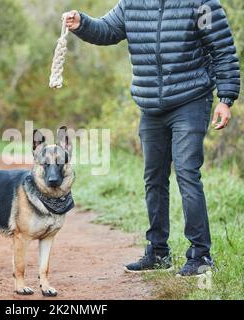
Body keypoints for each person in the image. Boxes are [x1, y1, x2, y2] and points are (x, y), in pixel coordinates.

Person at [65, 0, 240, 276]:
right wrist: (82, 24)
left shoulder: (201, 5)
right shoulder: (131, 4)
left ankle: (200, 256)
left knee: (186, 173)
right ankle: (158, 252)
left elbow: (223, 49)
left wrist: (226, 98)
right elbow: (108, 30)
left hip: (191, 99)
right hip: (151, 106)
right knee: (153, 178)